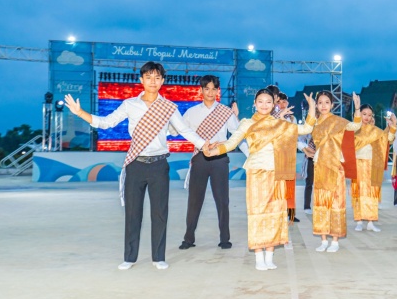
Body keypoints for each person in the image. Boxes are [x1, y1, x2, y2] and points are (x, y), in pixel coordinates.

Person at [64, 62, 207, 270]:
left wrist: (204, 145)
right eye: (148, 77)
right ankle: (129, 257)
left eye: (157, 77)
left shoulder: (168, 107)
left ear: (162, 81)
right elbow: (106, 122)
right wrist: (80, 113)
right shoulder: (130, 104)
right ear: (141, 80)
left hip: (159, 165)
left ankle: (158, 257)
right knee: (132, 213)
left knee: (160, 213)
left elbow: (185, 130)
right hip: (135, 164)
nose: (153, 81)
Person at [203, 89, 316, 270]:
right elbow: (231, 143)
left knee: (275, 213)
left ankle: (269, 256)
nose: (264, 105)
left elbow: (307, 129)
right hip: (256, 173)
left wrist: (312, 107)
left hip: (276, 174)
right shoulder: (247, 123)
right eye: (260, 101)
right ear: (255, 103)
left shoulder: (280, 124)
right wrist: (212, 151)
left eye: (268, 102)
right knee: (257, 214)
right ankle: (258, 257)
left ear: (273, 105)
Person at [178, 75, 248, 251]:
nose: (210, 92)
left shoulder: (226, 112)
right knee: (194, 200)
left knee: (222, 200)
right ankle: (188, 238)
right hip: (199, 158)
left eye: (213, 89)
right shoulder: (191, 112)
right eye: (206, 89)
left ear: (218, 91)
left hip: (220, 159)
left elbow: (238, 136)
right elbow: (179, 129)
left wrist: (250, 155)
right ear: (201, 90)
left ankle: (225, 239)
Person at [312, 91, 362, 252]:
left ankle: (335, 241)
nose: (323, 105)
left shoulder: (338, 121)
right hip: (320, 166)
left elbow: (355, 126)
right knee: (321, 202)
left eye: (327, 102)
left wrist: (357, 108)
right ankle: (323, 240)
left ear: (332, 105)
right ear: (316, 105)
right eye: (320, 102)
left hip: (335, 166)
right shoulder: (314, 123)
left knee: (336, 202)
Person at [351, 104, 397, 232]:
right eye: (364, 114)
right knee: (358, 193)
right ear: (359, 114)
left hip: (372, 164)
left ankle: (370, 221)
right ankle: (359, 221)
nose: (367, 117)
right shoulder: (355, 129)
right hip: (358, 163)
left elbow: (388, 139)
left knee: (372, 193)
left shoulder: (376, 131)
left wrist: (393, 125)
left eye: (369, 115)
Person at [277, 92, 300, 223]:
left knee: (290, 185)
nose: (282, 105)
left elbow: (296, 136)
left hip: (289, 155)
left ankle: (291, 214)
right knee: (278, 186)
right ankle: (279, 213)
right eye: (279, 102)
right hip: (277, 156)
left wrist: (303, 148)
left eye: (284, 102)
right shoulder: (272, 118)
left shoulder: (292, 119)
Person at [297, 133, 315, 214]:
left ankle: (322, 205)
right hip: (311, 156)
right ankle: (307, 206)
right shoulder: (310, 128)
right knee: (309, 182)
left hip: (324, 156)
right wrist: (308, 149)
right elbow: (300, 140)